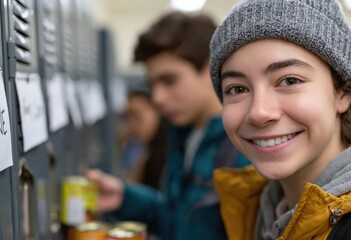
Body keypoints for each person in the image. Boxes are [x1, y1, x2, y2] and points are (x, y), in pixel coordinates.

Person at [209, 0, 351, 239]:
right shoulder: (260, 211)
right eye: (237, 89)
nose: (259, 112)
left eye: (290, 81)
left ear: (343, 93)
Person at [87, 12, 249, 240]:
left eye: (169, 81)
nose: (158, 98)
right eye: (152, 85)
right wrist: (124, 197)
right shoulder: (185, 134)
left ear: (210, 67)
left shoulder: (243, 147)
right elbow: (179, 220)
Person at [120, 88, 168, 188]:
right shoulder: (148, 151)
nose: (131, 125)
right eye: (128, 117)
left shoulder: (168, 153)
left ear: (157, 111)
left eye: (137, 116)